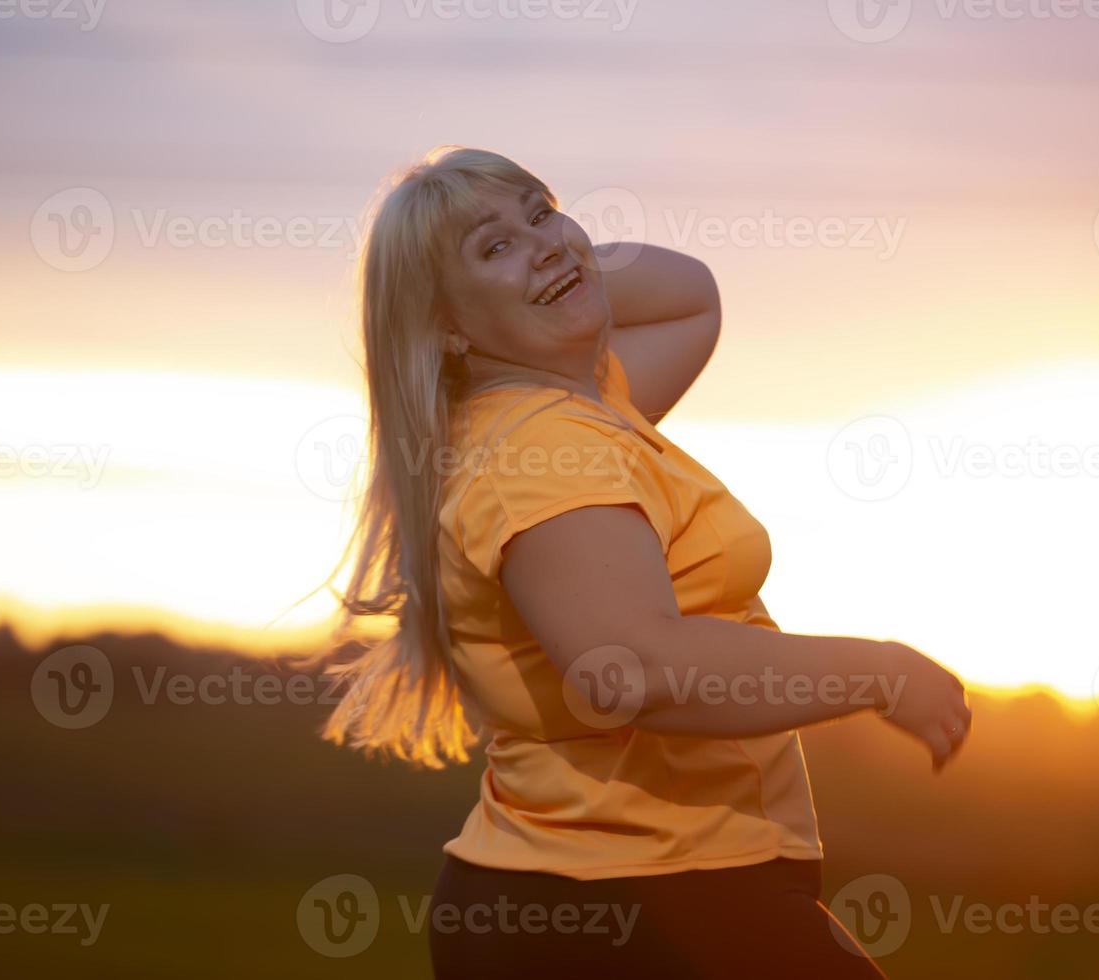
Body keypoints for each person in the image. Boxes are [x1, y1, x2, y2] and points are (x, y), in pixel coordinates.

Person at [312, 145, 972, 978]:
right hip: (641, 907)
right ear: (443, 325)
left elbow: (691, 297)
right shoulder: (541, 452)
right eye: (494, 244)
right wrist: (877, 671)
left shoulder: (576, 405)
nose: (543, 240)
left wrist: (543, 274)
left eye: (542, 209)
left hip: (609, 895)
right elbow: (640, 670)